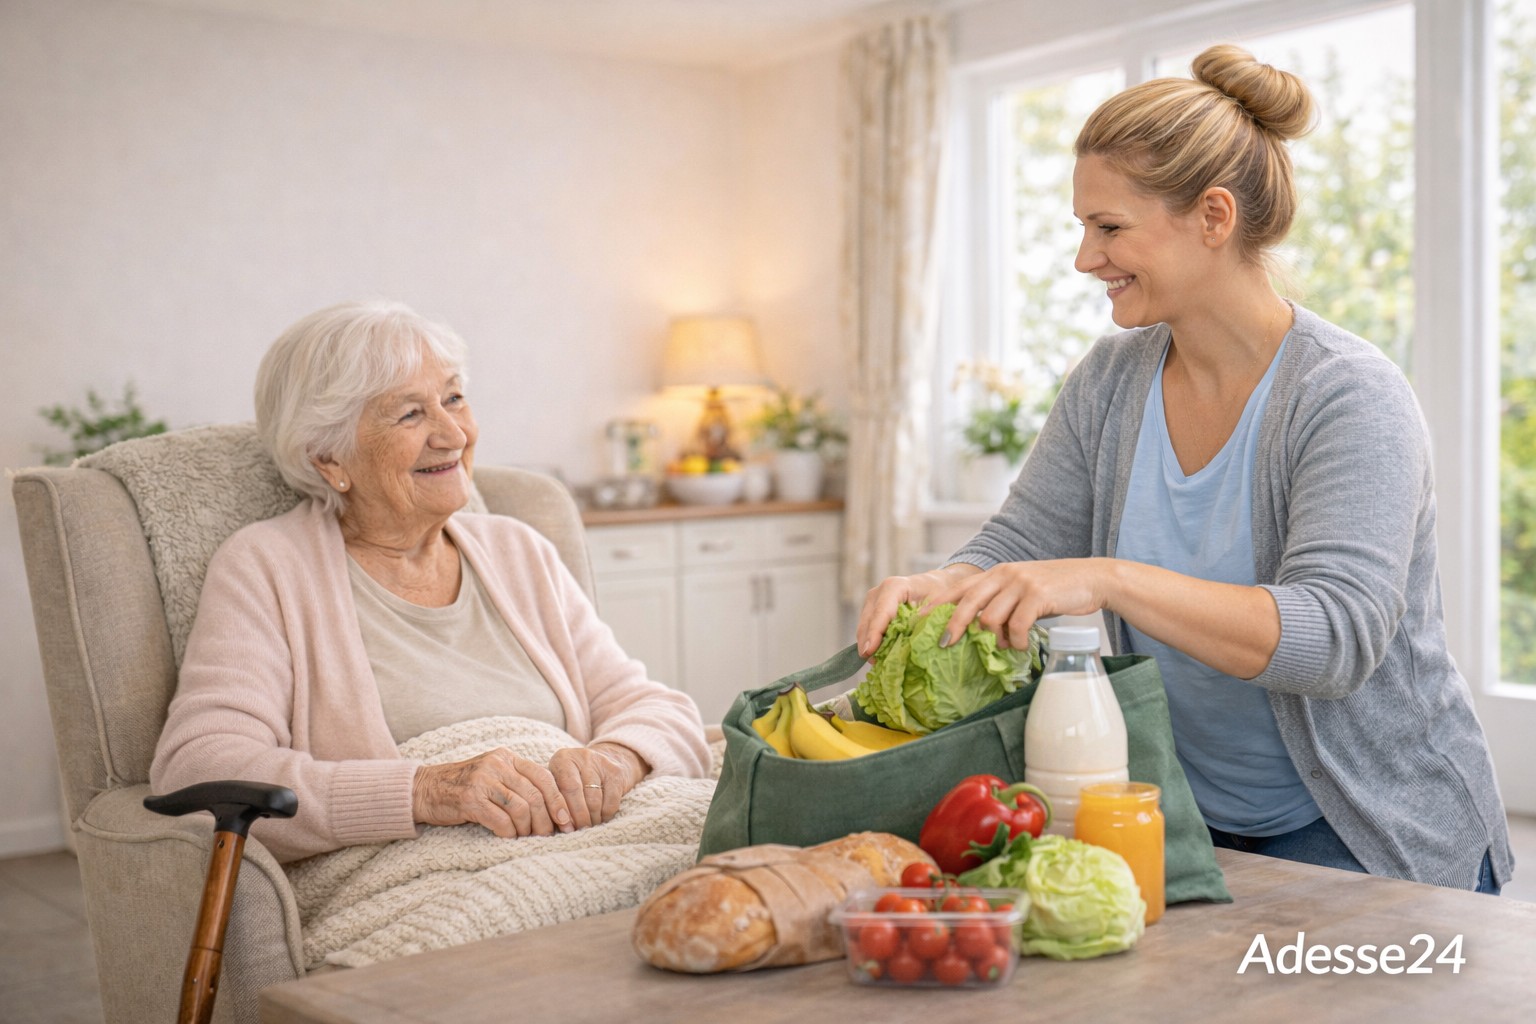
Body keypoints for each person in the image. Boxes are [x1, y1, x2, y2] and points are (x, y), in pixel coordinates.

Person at [857, 45, 1512, 893]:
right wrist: (945, 584)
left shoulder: (1349, 394)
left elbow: (1333, 638)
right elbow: (1021, 539)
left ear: (1213, 216)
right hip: (1188, 817)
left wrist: (1111, 579)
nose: (1086, 258)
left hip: (1367, 831)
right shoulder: (1109, 380)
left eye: (1110, 227)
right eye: (1083, 228)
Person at [150, 301, 712, 862]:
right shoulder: (267, 566)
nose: (452, 434)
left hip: (580, 840)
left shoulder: (517, 550)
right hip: (422, 871)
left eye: (453, 399)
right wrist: (427, 791)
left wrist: (611, 761)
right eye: (410, 415)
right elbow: (200, 766)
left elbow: (653, 707)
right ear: (328, 459)